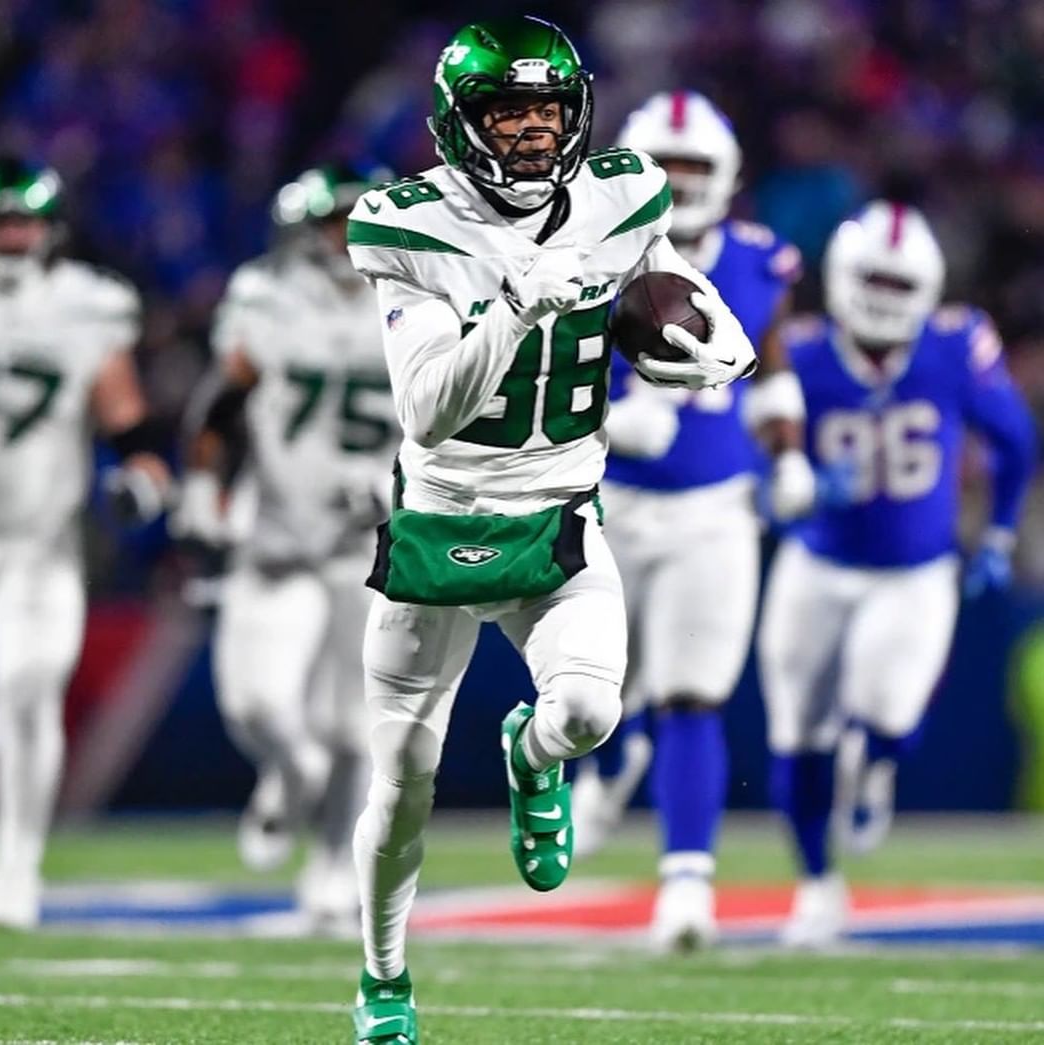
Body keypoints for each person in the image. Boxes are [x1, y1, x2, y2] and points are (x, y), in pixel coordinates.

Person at [344, 19, 758, 1044]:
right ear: (459, 124)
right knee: (402, 784)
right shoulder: (408, 227)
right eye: (507, 114)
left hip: (558, 517)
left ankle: (533, 762)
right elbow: (427, 410)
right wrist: (513, 311)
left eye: (545, 111)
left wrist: (704, 338)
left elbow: (663, 282)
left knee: (587, 713)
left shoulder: (623, 195)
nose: (531, 132)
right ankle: (383, 979)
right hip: (440, 522)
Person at [569, 90, 810, 952]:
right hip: (605, 501)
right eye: (665, 164)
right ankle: (610, 758)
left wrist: (788, 454)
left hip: (714, 509)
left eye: (694, 165)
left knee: (692, 693)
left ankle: (686, 879)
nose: (679, 178)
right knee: (588, 688)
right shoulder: (586, 251)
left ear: (728, 173)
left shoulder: (759, 259)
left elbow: (772, 369)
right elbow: (539, 376)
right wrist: (607, 419)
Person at [758, 200, 1036, 948]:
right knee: (797, 732)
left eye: (897, 281)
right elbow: (751, 467)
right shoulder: (802, 352)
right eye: (873, 279)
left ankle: (875, 763)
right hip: (816, 563)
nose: (883, 296)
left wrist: (1001, 530)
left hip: (914, 572)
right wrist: (795, 487)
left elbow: (1015, 438)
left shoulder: (954, 344)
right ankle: (817, 883)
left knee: (888, 713)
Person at [174, 166, 399, 929]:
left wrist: (401, 485)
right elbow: (222, 399)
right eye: (331, 222)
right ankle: (288, 767)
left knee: (356, 721)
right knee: (255, 701)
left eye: (354, 220)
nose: (342, 237)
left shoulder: (422, 298)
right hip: (276, 530)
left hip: (370, 540)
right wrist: (203, 483)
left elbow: (456, 418)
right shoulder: (266, 298)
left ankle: (334, 863)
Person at [0, 158, 169, 929]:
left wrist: (143, 476)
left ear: (49, 230)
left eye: (23, 222)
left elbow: (126, 416)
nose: (11, 237)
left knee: (30, 684)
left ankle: (16, 864)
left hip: (34, 542)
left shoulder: (87, 307)